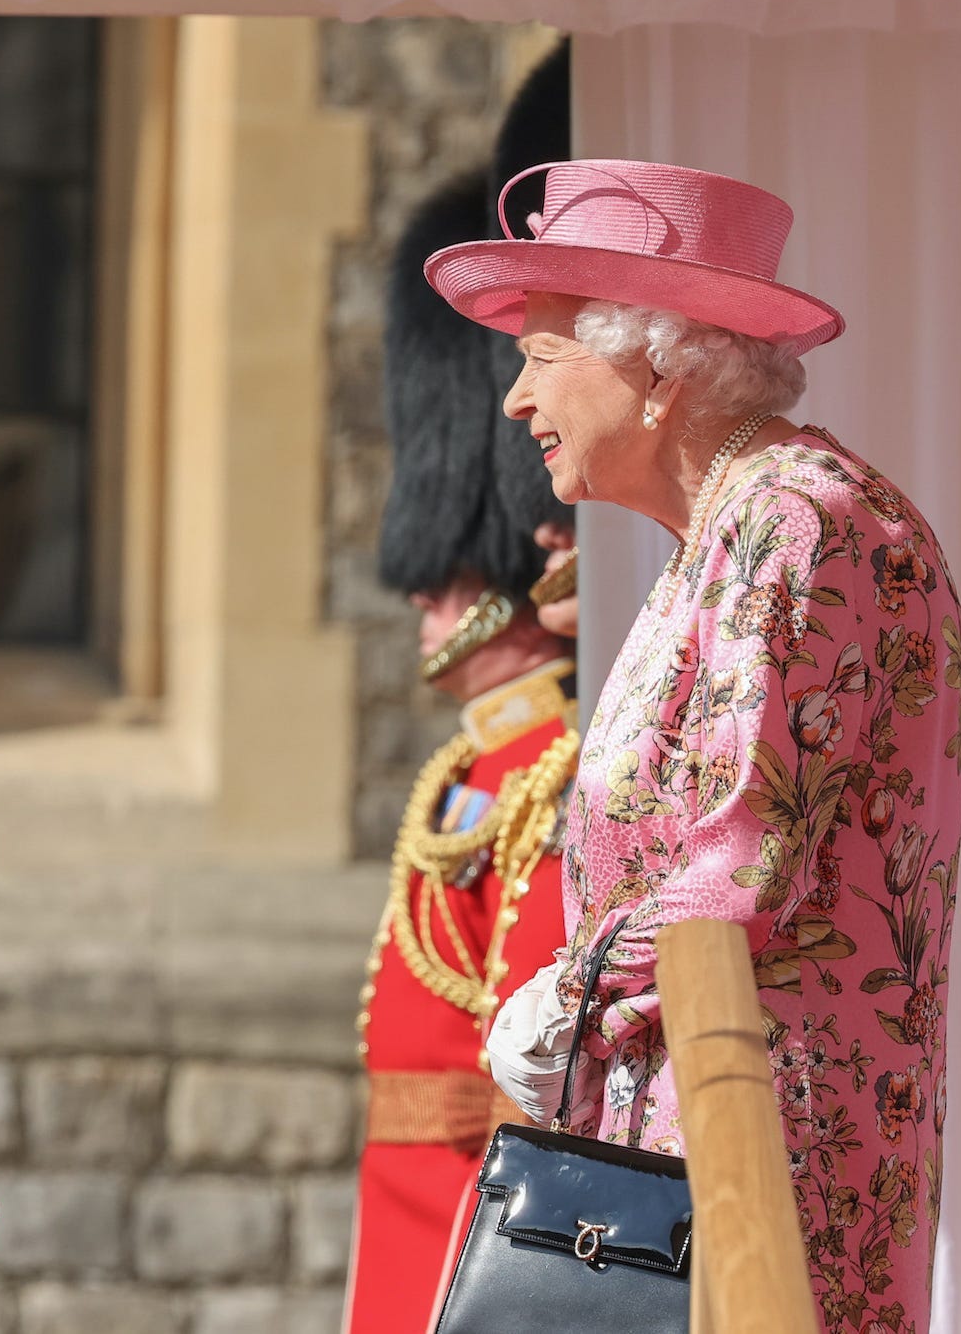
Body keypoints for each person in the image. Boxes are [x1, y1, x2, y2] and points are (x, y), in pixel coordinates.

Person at [430, 158, 961, 1331]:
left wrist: (560, 1001)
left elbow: (739, 863)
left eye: (539, 358)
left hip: (753, 1146)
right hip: (700, 1131)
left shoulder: (793, 518)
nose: (515, 403)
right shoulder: (736, 520)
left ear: (656, 364)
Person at [342, 169, 578, 1334]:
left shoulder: (550, 768)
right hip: (401, 1212)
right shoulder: (469, 773)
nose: (429, 594)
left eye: (456, 568)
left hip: (475, 1217)